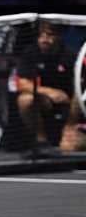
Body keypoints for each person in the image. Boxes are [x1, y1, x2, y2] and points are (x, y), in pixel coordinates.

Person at [16, 22, 76, 154]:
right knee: (25, 100)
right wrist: (50, 92)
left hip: (69, 103)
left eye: (49, 35)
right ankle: (41, 140)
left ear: (59, 36)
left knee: (70, 148)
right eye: (41, 35)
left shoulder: (70, 56)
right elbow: (22, 83)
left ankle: (68, 131)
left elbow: (79, 88)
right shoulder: (30, 53)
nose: (44, 39)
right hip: (44, 100)